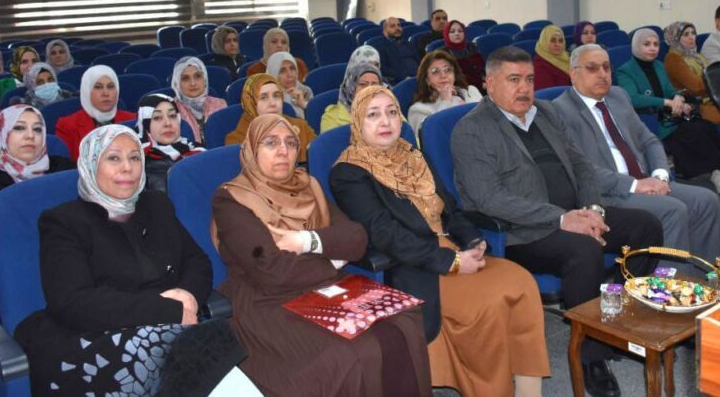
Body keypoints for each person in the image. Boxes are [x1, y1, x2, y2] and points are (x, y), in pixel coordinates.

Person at [452, 46, 663, 397]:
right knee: (583, 250)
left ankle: (618, 323)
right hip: (522, 232)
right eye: (514, 80)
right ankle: (592, 357)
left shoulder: (545, 112)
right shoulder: (472, 130)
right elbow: (489, 199)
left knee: (647, 227)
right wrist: (562, 218)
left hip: (576, 213)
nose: (524, 88)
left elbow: (581, 165)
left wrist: (593, 209)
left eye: (529, 79)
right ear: (489, 83)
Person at [332, 86, 549, 397]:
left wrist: (472, 238)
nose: (385, 121)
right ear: (357, 122)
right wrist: (452, 262)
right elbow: (384, 234)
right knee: (487, 305)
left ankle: (529, 392)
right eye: (373, 115)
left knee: (522, 282)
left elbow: (450, 208)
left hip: (454, 250)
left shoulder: (413, 155)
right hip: (416, 265)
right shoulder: (348, 173)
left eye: (392, 112)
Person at [14, 125, 246, 395]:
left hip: (173, 330)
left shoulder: (156, 204)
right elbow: (72, 301)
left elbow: (197, 261)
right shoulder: (64, 221)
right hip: (100, 338)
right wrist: (167, 309)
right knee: (202, 354)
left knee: (210, 352)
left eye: (135, 157)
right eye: (114, 158)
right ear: (91, 165)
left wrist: (189, 297)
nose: (127, 168)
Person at [211, 114, 430, 396]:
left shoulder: (307, 185)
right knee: (352, 353)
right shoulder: (231, 199)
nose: (283, 151)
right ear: (251, 150)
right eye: (271, 143)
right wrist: (331, 258)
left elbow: (356, 238)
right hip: (266, 299)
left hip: (324, 287)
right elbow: (272, 270)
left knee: (406, 320)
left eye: (291, 143)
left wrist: (307, 240)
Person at [553, 44, 720, 265]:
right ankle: (669, 284)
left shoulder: (618, 96)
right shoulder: (559, 110)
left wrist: (660, 175)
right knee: (673, 210)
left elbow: (648, 139)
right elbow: (580, 169)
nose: (602, 74)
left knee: (706, 200)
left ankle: (706, 276)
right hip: (608, 192)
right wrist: (635, 185)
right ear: (573, 73)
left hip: (644, 180)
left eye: (606, 67)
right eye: (592, 68)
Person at [0, 105, 74, 321]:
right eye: (19, 128)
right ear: (2, 134)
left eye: (37, 129)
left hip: (73, 271)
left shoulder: (65, 171)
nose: (30, 136)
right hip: (11, 280)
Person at [617, 29, 720, 194]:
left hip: (671, 116)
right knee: (695, 131)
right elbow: (632, 98)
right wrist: (666, 102)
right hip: (651, 120)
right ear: (636, 46)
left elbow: (670, 90)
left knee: (706, 126)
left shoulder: (658, 66)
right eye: (647, 44)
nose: (652, 48)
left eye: (656, 44)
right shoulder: (625, 70)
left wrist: (678, 99)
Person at [226, 73, 315, 163]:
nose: (272, 103)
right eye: (263, 97)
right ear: (251, 103)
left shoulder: (301, 127)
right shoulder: (237, 141)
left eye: (276, 96)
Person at [55, 65, 137, 160]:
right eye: (98, 87)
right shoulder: (67, 126)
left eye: (110, 87)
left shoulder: (134, 120)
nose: (106, 93)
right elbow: (67, 165)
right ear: (87, 91)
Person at [135, 93, 204, 192]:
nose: (168, 123)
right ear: (146, 124)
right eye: (157, 117)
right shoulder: (139, 165)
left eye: (172, 116)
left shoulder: (198, 150)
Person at [663, 21, 720, 128]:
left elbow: (710, 75)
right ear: (675, 38)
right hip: (695, 105)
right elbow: (696, 87)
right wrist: (719, 82)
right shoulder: (673, 59)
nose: (691, 37)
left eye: (693, 33)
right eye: (686, 34)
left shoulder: (696, 55)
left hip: (712, 98)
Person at [407, 51, 482, 136]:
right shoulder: (418, 110)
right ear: (427, 80)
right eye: (435, 71)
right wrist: (445, 101)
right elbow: (433, 138)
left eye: (448, 70)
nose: (443, 75)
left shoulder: (471, 91)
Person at [171, 56, 227, 145]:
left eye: (198, 76)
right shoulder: (172, 111)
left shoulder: (220, 104)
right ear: (177, 83)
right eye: (185, 78)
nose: (193, 83)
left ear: (204, 79)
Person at [320, 62, 385, 132]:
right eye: (363, 84)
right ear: (351, 87)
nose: (369, 89)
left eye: (374, 84)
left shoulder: (388, 111)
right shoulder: (332, 118)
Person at [267, 51, 314, 119]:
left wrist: (304, 105)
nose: (290, 75)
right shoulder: (269, 101)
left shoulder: (306, 91)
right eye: (282, 71)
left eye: (292, 68)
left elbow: (316, 121)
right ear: (273, 74)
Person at [442, 20, 485, 90]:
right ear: (446, 34)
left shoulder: (471, 47)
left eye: (460, 31)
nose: (457, 34)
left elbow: (482, 68)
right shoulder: (442, 53)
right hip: (457, 89)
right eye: (452, 32)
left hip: (480, 86)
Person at [11, 62, 76, 108]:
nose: (47, 85)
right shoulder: (27, 108)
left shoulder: (68, 98)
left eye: (50, 80)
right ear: (32, 86)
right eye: (40, 82)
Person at [377, 16, 420, 83]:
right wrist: (403, 76)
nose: (397, 28)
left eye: (399, 25)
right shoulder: (381, 46)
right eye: (392, 26)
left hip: (419, 77)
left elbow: (419, 61)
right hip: (401, 81)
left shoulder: (409, 44)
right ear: (384, 31)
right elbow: (383, 69)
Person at [532, 25, 571, 90]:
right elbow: (547, 93)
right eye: (552, 40)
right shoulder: (539, 65)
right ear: (545, 42)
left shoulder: (567, 58)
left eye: (560, 41)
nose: (557, 44)